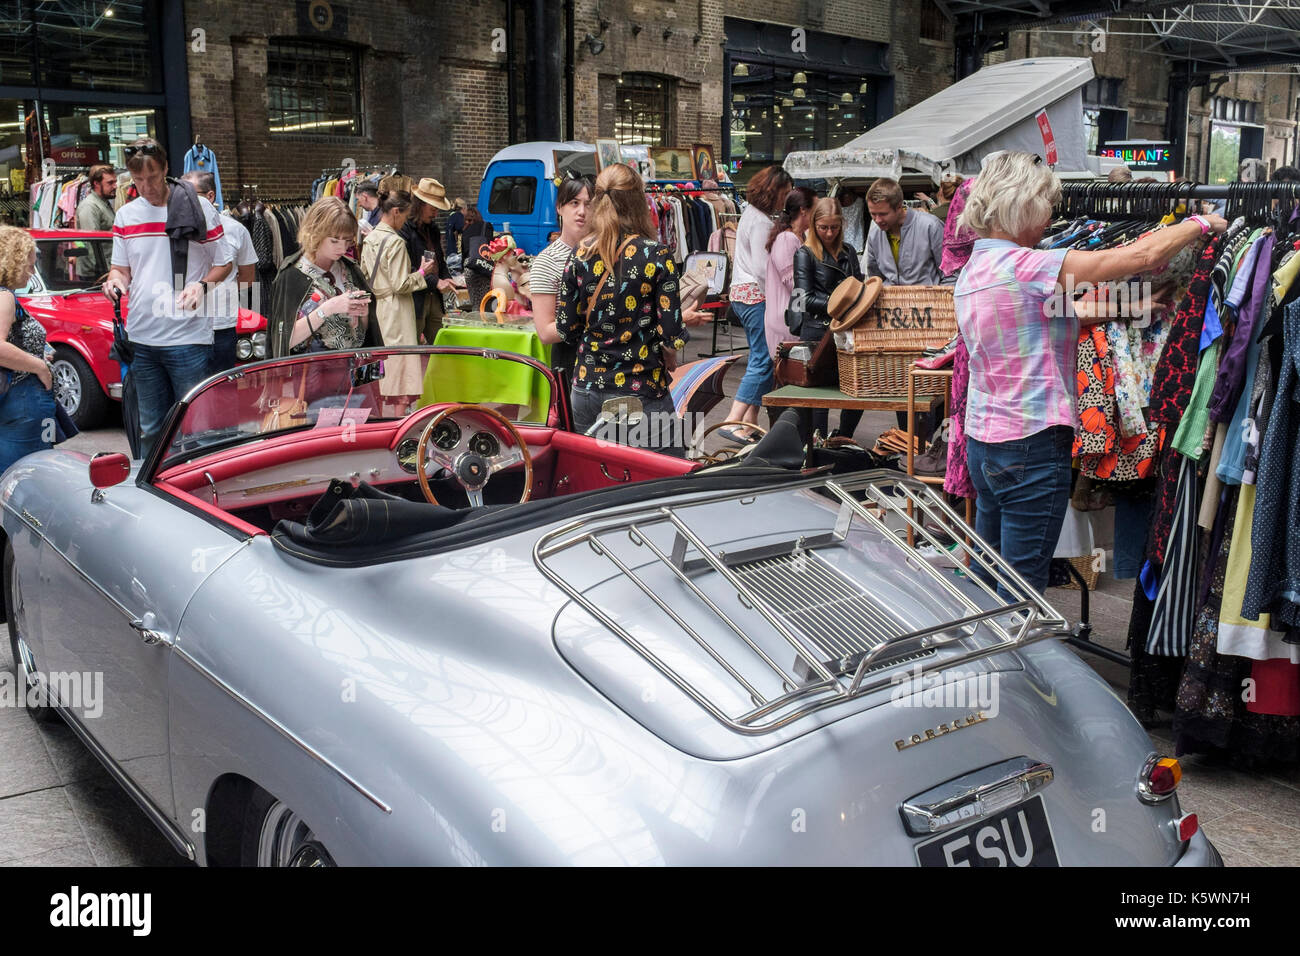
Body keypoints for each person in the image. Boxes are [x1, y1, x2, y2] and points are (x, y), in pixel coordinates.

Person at [954, 151, 1227, 594]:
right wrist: (1198, 224)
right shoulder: (1029, 265)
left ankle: (980, 651)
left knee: (989, 573)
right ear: (1021, 204)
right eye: (1045, 203)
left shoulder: (977, 268)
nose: (1049, 216)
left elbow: (1051, 311)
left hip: (985, 443)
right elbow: (1137, 256)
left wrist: (1128, 307)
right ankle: (1015, 661)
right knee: (1022, 589)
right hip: (1032, 443)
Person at [103, 137, 232, 460]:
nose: (146, 186)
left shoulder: (197, 208)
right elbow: (120, 270)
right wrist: (114, 283)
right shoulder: (126, 216)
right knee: (152, 429)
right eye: (138, 180)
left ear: (165, 170)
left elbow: (225, 262)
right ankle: (153, 496)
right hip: (143, 337)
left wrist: (201, 286)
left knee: (197, 427)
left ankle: (199, 495)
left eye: (153, 177)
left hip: (188, 336)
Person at [555, 162, 688, 455]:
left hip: (588, 388)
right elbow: (671, 332)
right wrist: (669, 353)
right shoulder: (655, 254)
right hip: (639, 388)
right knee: (667, 477)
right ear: (639, 202)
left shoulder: (580, 254)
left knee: (596, 478)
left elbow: (566, 327)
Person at [722, 164, 793, 442]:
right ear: (773, 192)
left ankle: (749, 423)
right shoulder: (762, 221)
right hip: (755, 295)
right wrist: (777, 297)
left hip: (742, 292)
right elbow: (763, 269)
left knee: (760, 357)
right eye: (784, 192)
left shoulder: (751, 215)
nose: (787, 198)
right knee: (763, 361)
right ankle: (732, 419)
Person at [269, 196, 380, 357]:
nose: (342, 248)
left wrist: (363, 314)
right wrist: (327, 309)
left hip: (352, 369)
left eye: (348, 241)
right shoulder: (292, 275)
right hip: (311, 372)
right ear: (315, 233)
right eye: (334, 241)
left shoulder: (350, 269)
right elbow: (283, 341)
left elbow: (366, 335)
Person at [793, 197, 865, 443]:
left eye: (834, 227)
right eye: (824, 227)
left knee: (857, 388)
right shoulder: (805, 253)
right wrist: (843, 303)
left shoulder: (849, 251)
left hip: (845, 330)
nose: (829, 232)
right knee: (819, 398)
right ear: (814, 224)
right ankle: (818, 447)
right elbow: (803, 299)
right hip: (817, 332)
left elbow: (859, 286)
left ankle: (842, 438)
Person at [360, 189, 437, 413]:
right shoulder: (395, 242)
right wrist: (422, 272)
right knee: (401, 366)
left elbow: (365, 275)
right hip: (396, 308)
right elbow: (401, 284)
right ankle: (398, 424)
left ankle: (377, 419)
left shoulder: (371, 237)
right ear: (395, 212)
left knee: (380, 361)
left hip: (377, 307)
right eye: (404, 216)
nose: (405, 221)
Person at [181, 170, 257, 374]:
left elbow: (248, 277)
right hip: (185, 324)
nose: (184, 200)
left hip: (221, 324)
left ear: (210, 196)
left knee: (222, 387)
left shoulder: (236, 230)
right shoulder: (175, 229)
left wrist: (221, 289)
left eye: (191, 194)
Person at [0, 227, 56, 473]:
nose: (32, 273)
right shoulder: (5, 297)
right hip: (22, 396)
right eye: (29, 266)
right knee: (29, 474)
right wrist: (40, 366)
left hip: (14, 398)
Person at [532, 175, 594, 387]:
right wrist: (596, 320)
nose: (582, 211)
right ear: (560, 207)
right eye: (574, 203)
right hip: (570, 362)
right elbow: (545, 332)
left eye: (589, 204)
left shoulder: (608, 253)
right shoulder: (546, 261)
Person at [763, 185, 816, 361]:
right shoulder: (787, 239)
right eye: (815, 209)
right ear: (803, 210)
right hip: (787, 320)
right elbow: (794, 283)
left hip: (791, 317)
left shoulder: (798, 237)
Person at [404, 180, 458, 344]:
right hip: (416, 296)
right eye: (433, 209)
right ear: (420, 204)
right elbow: (408, 268)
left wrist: (446, 276)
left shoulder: (432, 228)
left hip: (434, 296)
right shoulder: (405, 229)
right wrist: (436, 281)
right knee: (411, 346)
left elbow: (439, 259)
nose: (435, 214)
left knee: (441, 345)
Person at [864, 177, 943, 286]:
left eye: (883, 214)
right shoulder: (874, 236)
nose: (877, 220)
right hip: (890, 301)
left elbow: (949, 273)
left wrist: (941, 299)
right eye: (873, 214)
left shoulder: (930, 226)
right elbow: (875, 279)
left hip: (928, 301)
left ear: (899, 207)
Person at [76, 164, 117, 232]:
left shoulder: (103, 202)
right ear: (96, 183)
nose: (115, 186)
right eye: (110, 183)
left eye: (115, 182)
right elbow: (91, 240)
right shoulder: (89, 206)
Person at [838, 186, 866, 255]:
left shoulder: (859, 202)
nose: (847, 199)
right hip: (843, 240)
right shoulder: (836, 204)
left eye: (848, 196)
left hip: (857, 239)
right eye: (846, 197)